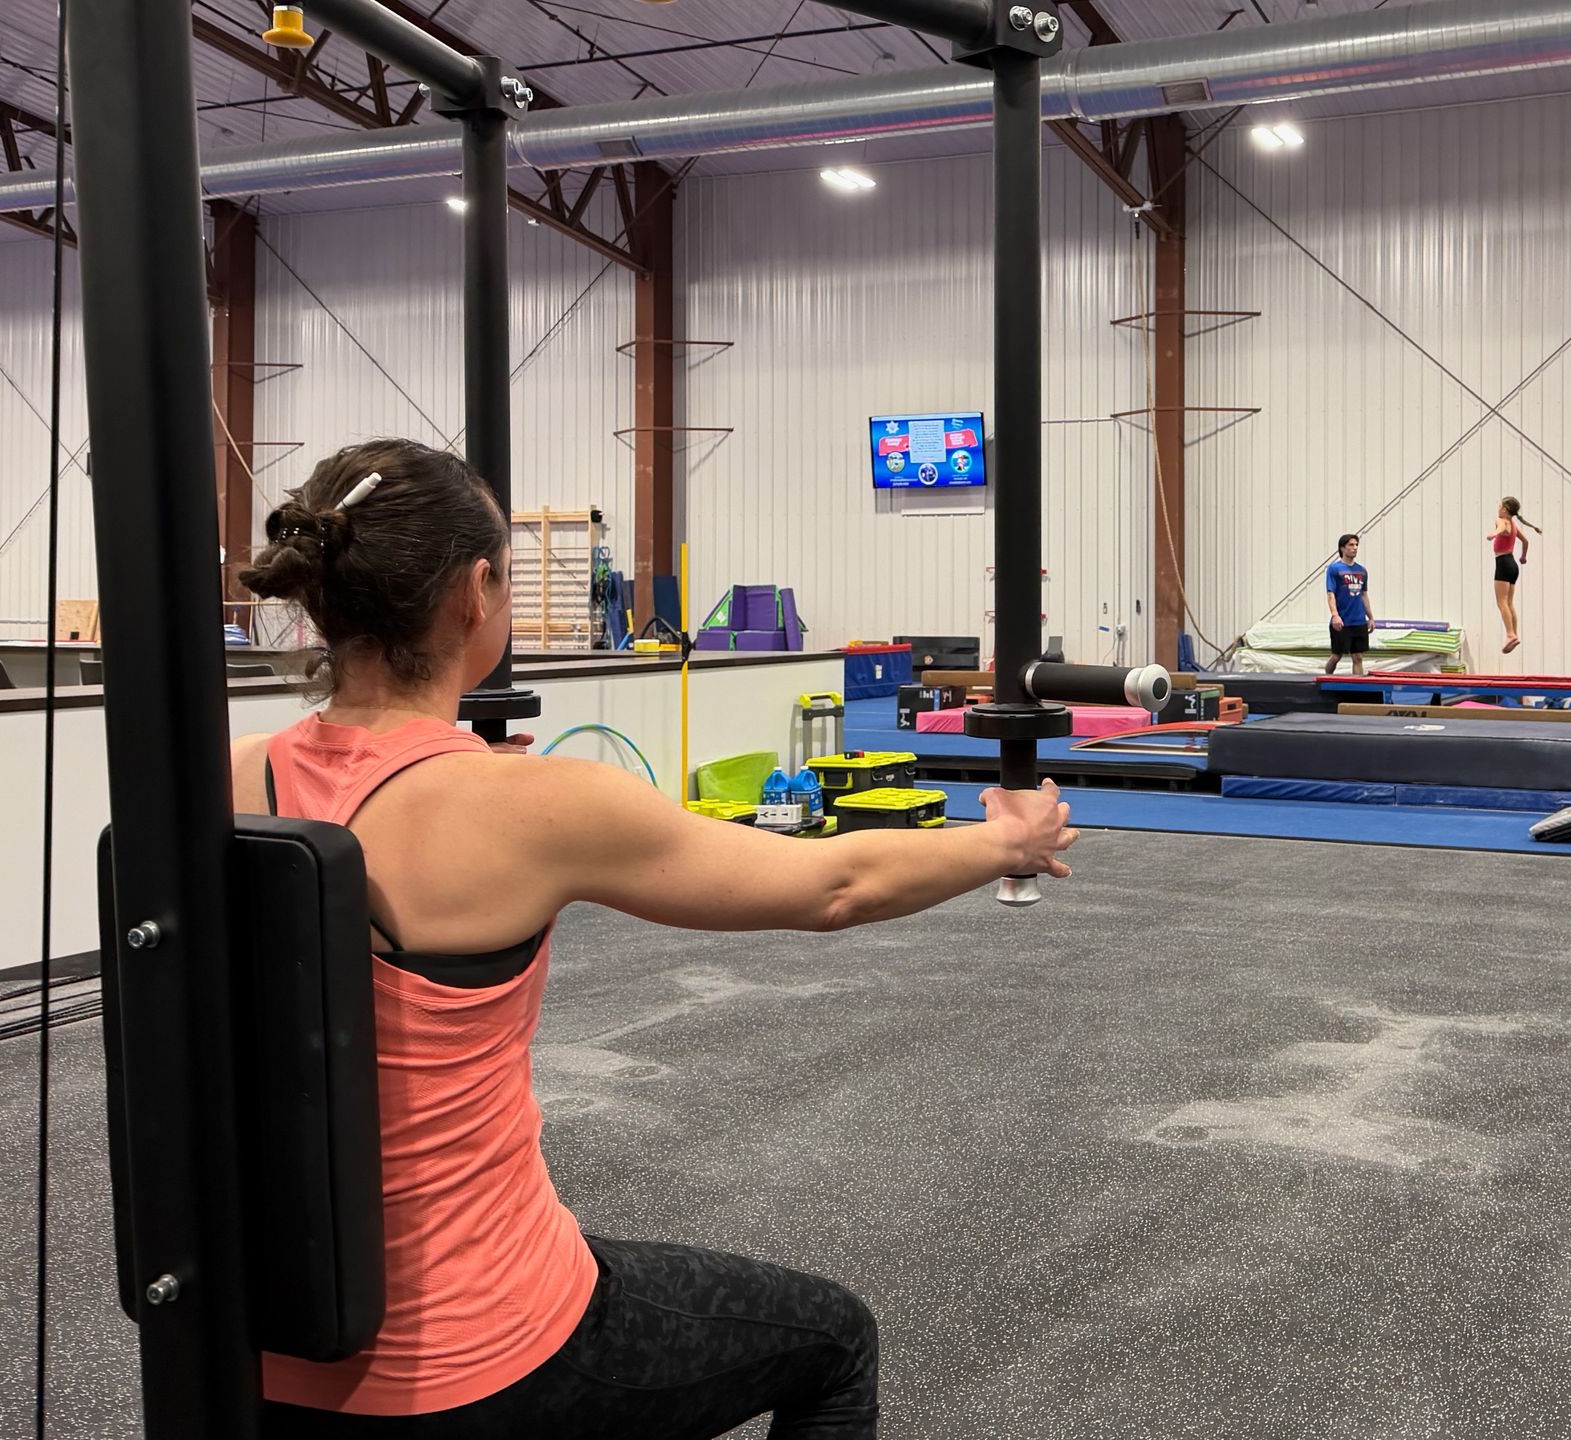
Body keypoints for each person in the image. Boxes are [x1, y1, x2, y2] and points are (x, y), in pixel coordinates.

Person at [232, 439, 1078, 1440]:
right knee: (835, 1342)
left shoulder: (234, 776)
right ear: (475, 596)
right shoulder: (536, 804)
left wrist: (482, 784)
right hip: (477, 1360)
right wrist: (1003, 842)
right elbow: (835, 884)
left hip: (262, 1355)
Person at [1486, 496, 1542, 655]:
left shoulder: (1501, 520)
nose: (1498, 508)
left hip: (1503, 563)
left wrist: (1493, 534)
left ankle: (1510, 634)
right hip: (1513, 565)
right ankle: (1514, 634)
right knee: (1509, 603)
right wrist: (1523, 557)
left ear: (1504, 509)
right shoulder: (1515, 526)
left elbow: (1501, 527)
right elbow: (1526, 542)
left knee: (1501, 602)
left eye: (1499, 506)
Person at [1323, 533, 1373, 676]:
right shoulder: (1334, 569)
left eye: (1356, 545)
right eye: (1351, 545)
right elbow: (1330, 594)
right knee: (1336, 656)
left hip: (1358, 621)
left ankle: (1357, 689)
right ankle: (1326, 678)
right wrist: (1335, 616)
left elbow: (1364, 594)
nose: (1354, 548)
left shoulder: (1362, 571)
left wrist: (1370, 617)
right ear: (1342, 548)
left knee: (1358, 657)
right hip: (1342, 621)